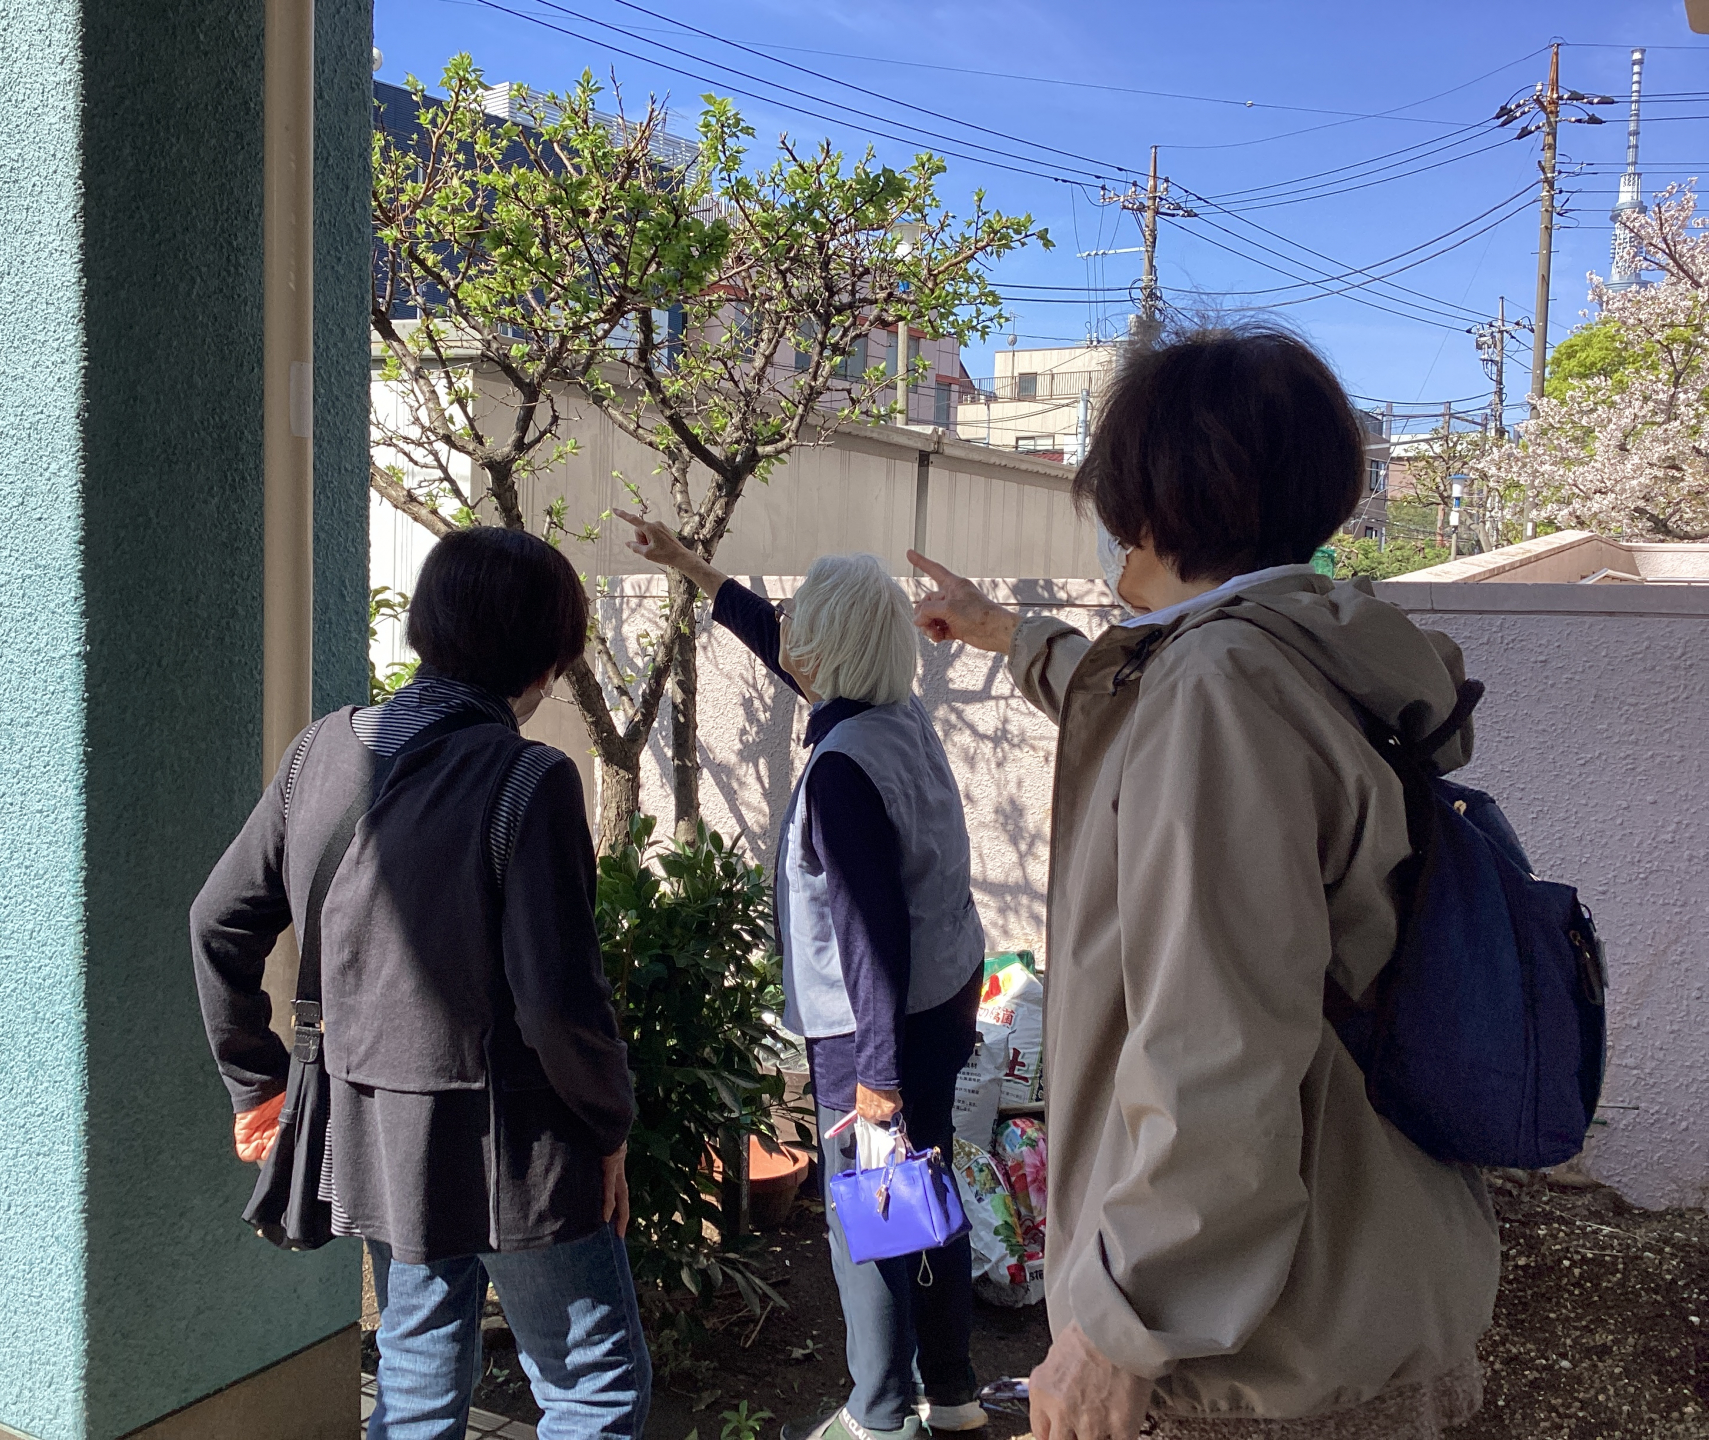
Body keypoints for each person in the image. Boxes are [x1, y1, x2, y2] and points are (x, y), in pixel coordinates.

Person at [910, 325, 1501, 1440]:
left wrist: (1118, 1327)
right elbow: (1124, 702)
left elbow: (1215, 1044)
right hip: (1373, 1267)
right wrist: (1003, 632)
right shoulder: (1307, 655)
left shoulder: (1218, 689)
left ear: (1150, 495)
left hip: (1263, 1350)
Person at [190, 526, 649, 1440]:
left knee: (417, 1375)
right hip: (514, 1146)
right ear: (545, 660)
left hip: (374, 1127)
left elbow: (216, 920)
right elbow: (557, 1004)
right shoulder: (530, 778)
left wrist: (256, 1081)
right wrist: (610, 1124)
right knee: (594, 1390)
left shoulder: (318, 753)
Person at [615, 511, 985, 1440]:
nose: (785, 632)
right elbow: (774, 636)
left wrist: (876, 1080)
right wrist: (690, 564)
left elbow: (870, 937)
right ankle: (953, 1393)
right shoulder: (895, 717)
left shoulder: (843, 771)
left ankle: (880, 1415)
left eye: (799, 624)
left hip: (875, 1029)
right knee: (924, 1194)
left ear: (821, 649)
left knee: (874, 1218)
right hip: (940, 1005)